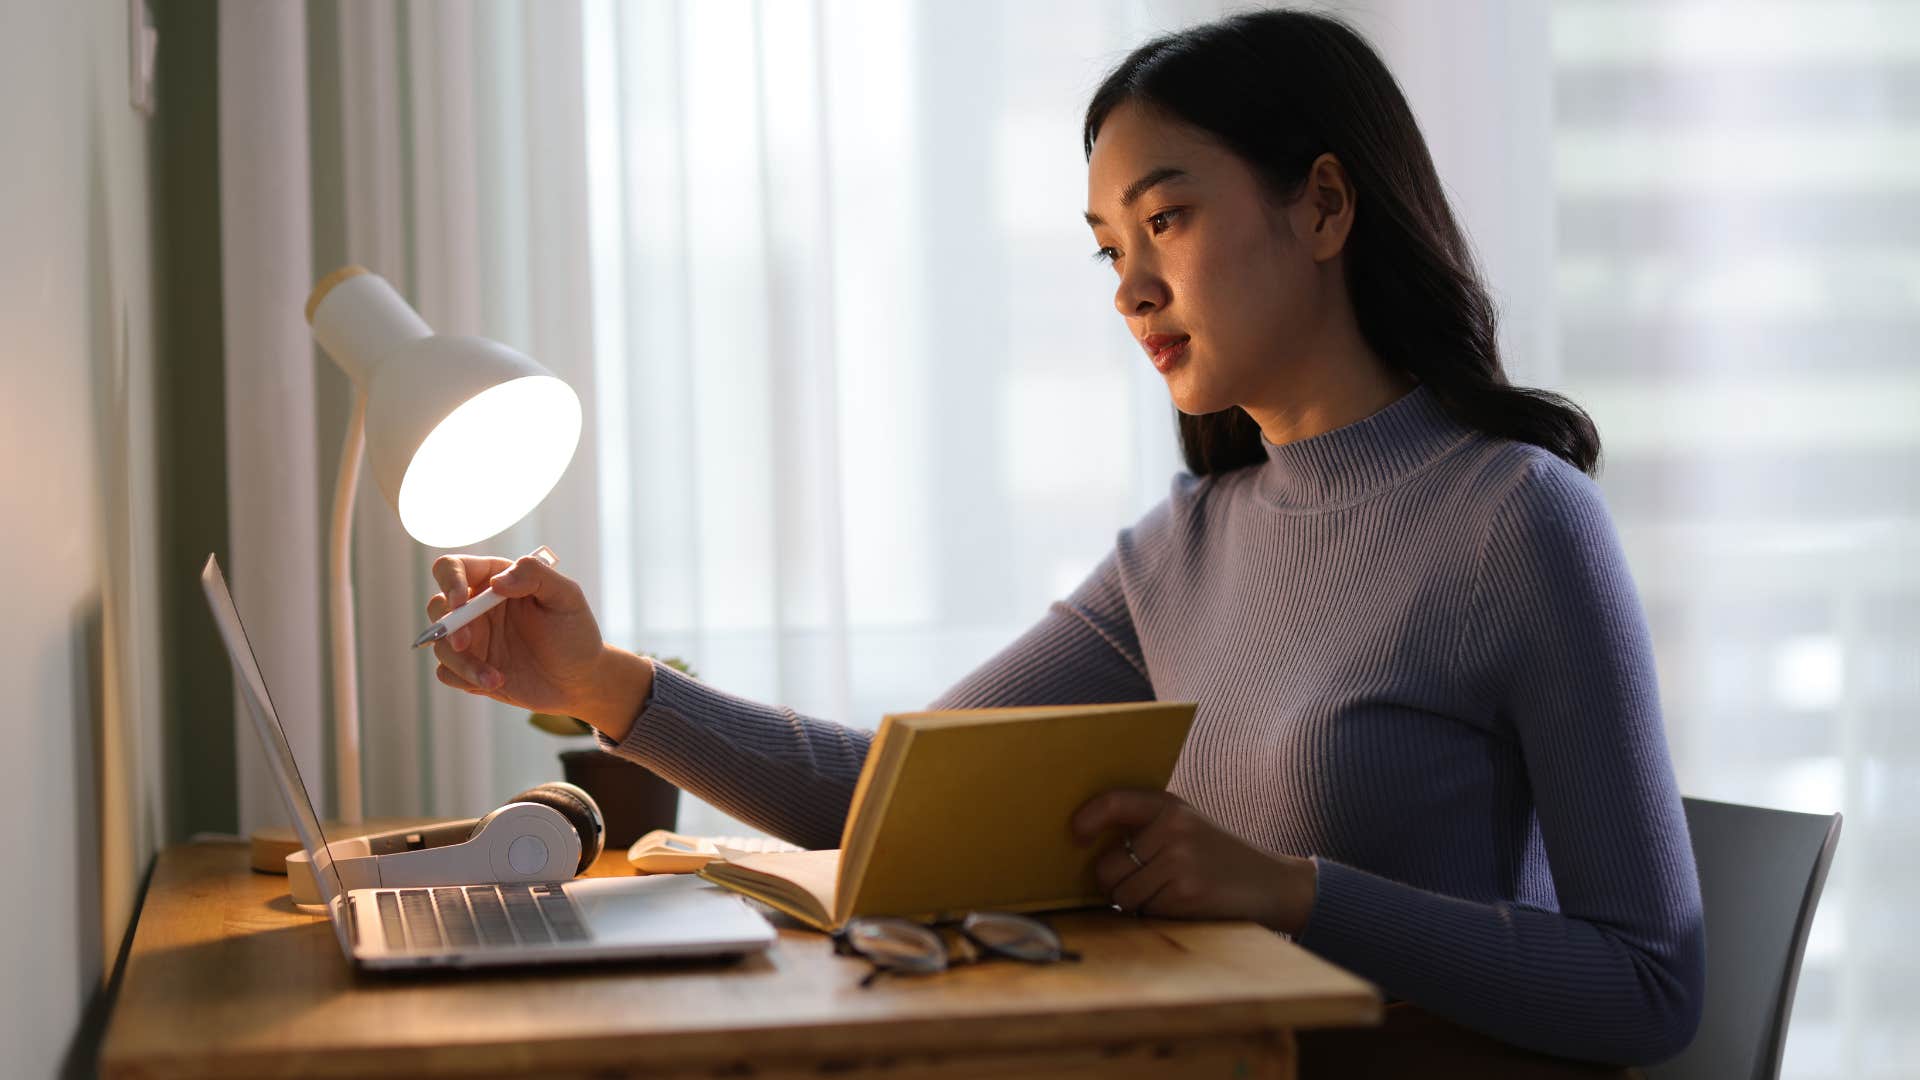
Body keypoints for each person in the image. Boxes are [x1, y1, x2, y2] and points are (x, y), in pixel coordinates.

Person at [422, 9, 1701, 1075]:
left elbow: (1649, 986)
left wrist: (1289, 889)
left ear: (1322, 206)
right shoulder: (1181, 550)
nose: (1131, 289)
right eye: (1108, 251)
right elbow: (894, 798)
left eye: (1167, 220)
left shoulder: (1517, 520)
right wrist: (601, 681)